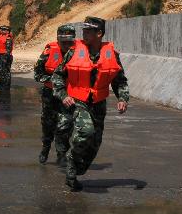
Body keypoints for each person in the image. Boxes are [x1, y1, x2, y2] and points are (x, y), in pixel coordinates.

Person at [51, 16, 129, 192]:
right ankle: (71, 159)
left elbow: (120, 81)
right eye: (83, 30)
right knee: (86, 132)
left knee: (95, 144)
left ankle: (75, 171)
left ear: (99, 33)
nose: (84, 33)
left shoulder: (112, 55)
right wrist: (63, 95)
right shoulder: (73, 52)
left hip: (98, 104)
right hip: (78, 102)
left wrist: (123, 98)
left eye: (88, 30)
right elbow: (57, 76)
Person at [33, 24, 77, 165]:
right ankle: (45, 148)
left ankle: (62, 154)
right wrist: (53, 81)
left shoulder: (79, 52)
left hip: (69, 95)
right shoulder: (49, 51)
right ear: (58, 40)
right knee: (48, 124)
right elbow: (37, 74)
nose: (66, 45)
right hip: (50, 94)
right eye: (63, 41)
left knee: (65, 124)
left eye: (69, 41)